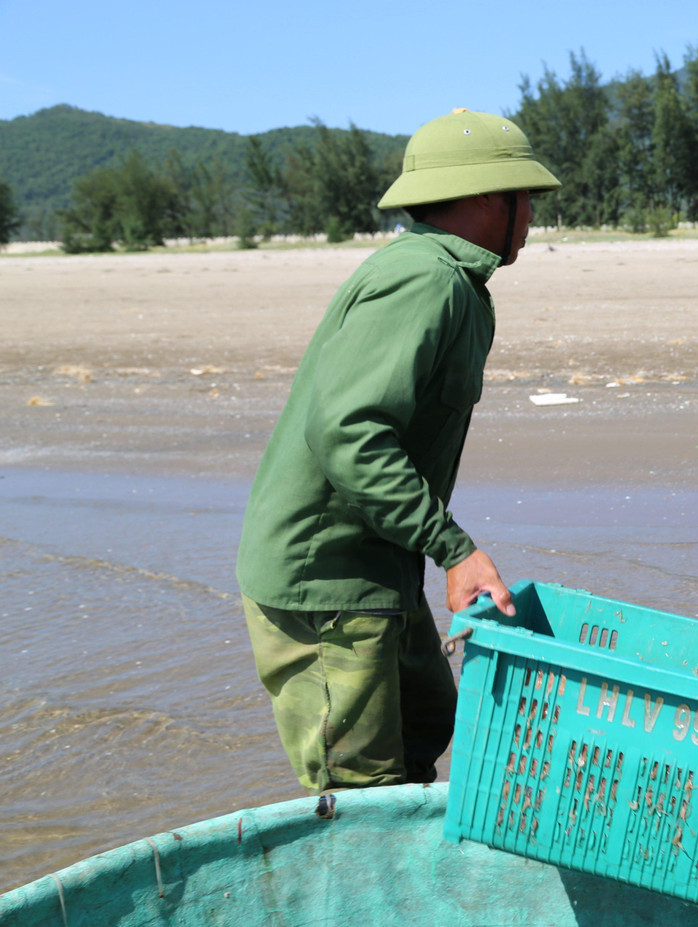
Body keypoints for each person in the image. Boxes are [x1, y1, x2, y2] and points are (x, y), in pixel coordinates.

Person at [236, 109, 560, 794]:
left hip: (379, 564)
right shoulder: (425, 280)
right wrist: (452, 547)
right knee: (357, 787)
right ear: (484, 196)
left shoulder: (453, 281)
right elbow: (350, 433)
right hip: (327, 577)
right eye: (525, 196)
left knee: (426, 721)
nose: (533, 214)